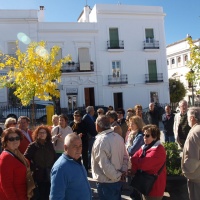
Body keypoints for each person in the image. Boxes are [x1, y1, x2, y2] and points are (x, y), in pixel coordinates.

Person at [91, 115, 128, 200]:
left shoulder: (100, 141)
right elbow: (125, 157)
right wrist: (122, 172)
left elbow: (105, 165)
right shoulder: (118, 137)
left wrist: (118, 175)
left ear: (97, 126)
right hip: (116, 180)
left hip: (107, 183)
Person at [50, 133, 92, 200]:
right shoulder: (60, 168)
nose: (78, 150)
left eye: (80, 146)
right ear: (66, 148)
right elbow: (56, 197)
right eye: (75, 146)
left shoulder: (76, 160)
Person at [131, 125, 166, 200]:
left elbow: (144, 165)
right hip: (145, 184)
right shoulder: (145, 147)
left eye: (147, 135)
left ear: (155, 137)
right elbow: (134, 158)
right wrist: (137, 161)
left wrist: (137, 161)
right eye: (144, 135)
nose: (144, 137)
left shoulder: (158, 150)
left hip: (154, 187)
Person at [24, 125, 56, 200]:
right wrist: (33, 167)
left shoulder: (49, 144)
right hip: (38, 175)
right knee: (39, 195)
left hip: (49, 174)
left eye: (44, 132)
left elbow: (54, 157)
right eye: (40, 133)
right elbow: (25, 159)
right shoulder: (33, 146)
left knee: (48, 194)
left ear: (47, 134)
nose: (42, 134)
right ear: (37, 134)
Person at [0, 127, 29, 199]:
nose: (15, 140)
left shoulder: (16, 153)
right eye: (11, 139)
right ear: (6, 141)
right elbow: (6, 185)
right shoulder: (6, 158)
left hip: (22, 195)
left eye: (17, 138)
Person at [181, 107, 200, 200]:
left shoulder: (195, 132)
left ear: (192, 118)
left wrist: (185, 171)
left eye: (188, 117)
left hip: (197, 178)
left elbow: (193, 159)